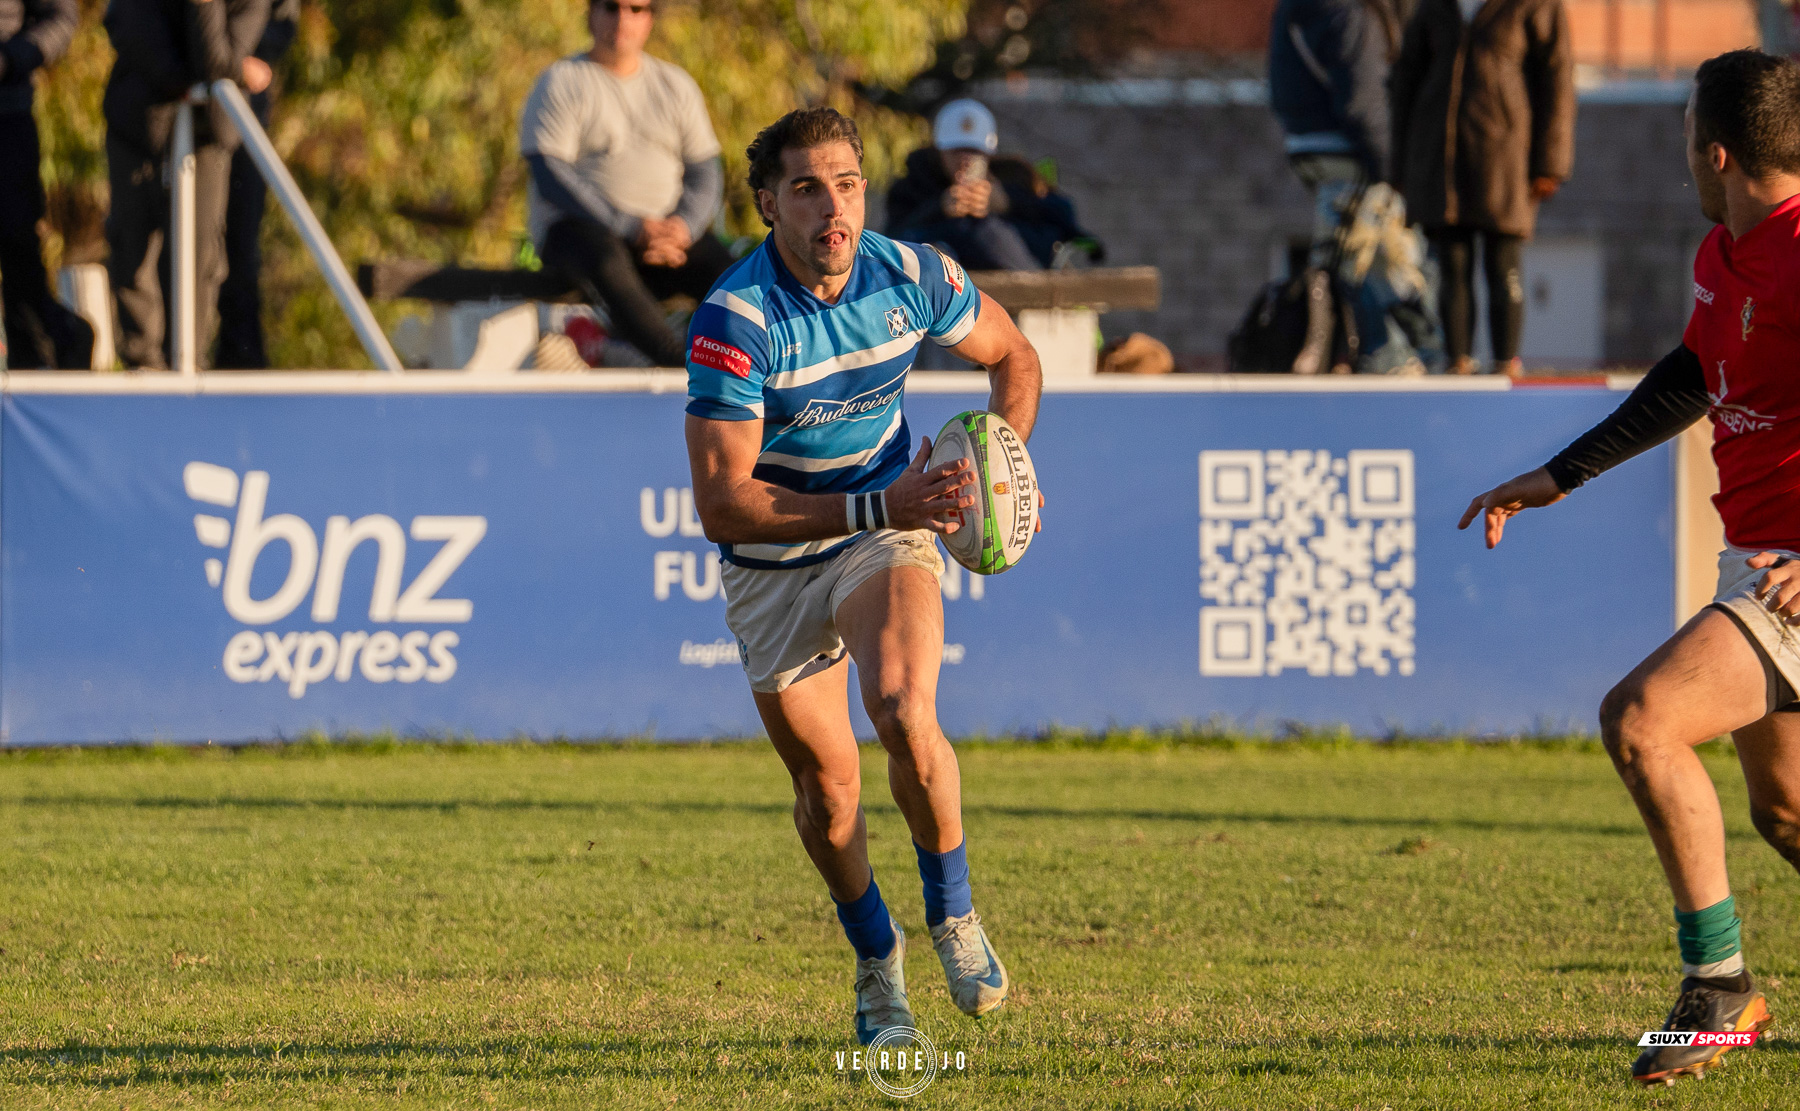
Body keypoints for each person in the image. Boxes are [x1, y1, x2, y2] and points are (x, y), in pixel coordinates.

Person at [1459, 50, 1799, 1086]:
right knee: (1786, 809)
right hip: (1758, 560)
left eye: (1686, 132)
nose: (1681, 150)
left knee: (1642, 721)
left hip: (1793, 573)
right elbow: (1696, 373)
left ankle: (1720, 987)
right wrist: (1562, 473)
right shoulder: (1725, 252)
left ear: (1716, 151)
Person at [683, 106, 1043, 1045]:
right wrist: (880, 504)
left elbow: (1013, 353)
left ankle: (954, 913)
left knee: (902, 707)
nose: (832, 207)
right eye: (807, 188)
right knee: (829, 794)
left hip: (885, 532)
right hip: (772, 562)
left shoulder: (914, 274)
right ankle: (879, 961)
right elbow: (723, 503)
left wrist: (1001, 463)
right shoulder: (735, 318)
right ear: (770, 204)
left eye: (846, 184)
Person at [520, 0, 729, 368]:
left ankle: (747, 365)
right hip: (581, 235)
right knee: (603, 256)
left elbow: (705, 171)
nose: (622, 19)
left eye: (636, 9)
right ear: (590, 14)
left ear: (650, 19)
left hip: (666, 238)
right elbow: (551, 176)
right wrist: (630, 226)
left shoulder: (675, 85)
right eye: (610, 7)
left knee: (728, 273)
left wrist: (683, 227)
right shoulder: (561, 81)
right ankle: (675, 363)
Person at [1391, 0, 1574, 375]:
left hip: (1506, 154)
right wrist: (1400, 166)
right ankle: (1457, 361)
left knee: (1503, 260)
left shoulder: (1535, 4)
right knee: (1451, 262)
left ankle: (1507, 363)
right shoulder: (1431, 5)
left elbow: (1557, 78)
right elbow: (1406, 79)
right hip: (1441, 156)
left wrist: (1550, 162)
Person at [1269, 0, 1440, 375]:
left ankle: (1375, 353)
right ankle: (1395, 356)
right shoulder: (1351, 15)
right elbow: (1363, 101)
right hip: (1352, 152)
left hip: (1306, 144)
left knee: (1351, 256)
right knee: (1373, 261)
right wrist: (1392, 167)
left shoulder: (1296, 9)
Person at [103, 0, 272, 370]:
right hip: (139, 123)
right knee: (133, 245)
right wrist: (196, 80)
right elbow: (132, 31)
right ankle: (144, 363)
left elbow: (217, 64)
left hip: (208, 133)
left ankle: (189, 361)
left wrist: (203, 5)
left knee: (202, 249)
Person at [886, 99, 1097, 271]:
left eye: (974, 151)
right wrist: (939, 208)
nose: (965, 160)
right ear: (939, 152)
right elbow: (892, 239)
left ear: (989, 153)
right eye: (956, 151)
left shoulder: (1014, 176)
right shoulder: (914, 184)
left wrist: (1007, 202)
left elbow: (1061, 215)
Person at [1, 0, 94, 369]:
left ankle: (56, 343)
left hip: (7, 116)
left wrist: (10, 59)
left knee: (18, 249)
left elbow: (62, 19)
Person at [214, 0, 298, 370]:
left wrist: (241, 58)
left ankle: (241, 356)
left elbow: (283, 22)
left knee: (241, 241)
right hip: (181, 102)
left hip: (245, 109)